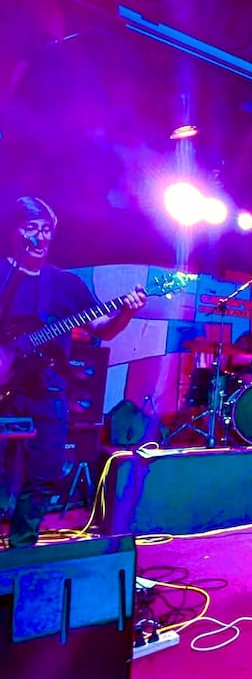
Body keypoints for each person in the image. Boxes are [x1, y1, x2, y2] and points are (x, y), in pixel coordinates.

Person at [0, 196, 146, 548]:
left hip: (48, 388)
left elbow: (103, 329)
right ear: (14, 231)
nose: (40, 236)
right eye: (31, 228)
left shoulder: (65, 284)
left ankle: (22, 552)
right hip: (7, 385)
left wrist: (126, 312)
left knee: (44, 472)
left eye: (46, 230)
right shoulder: (4, 276)